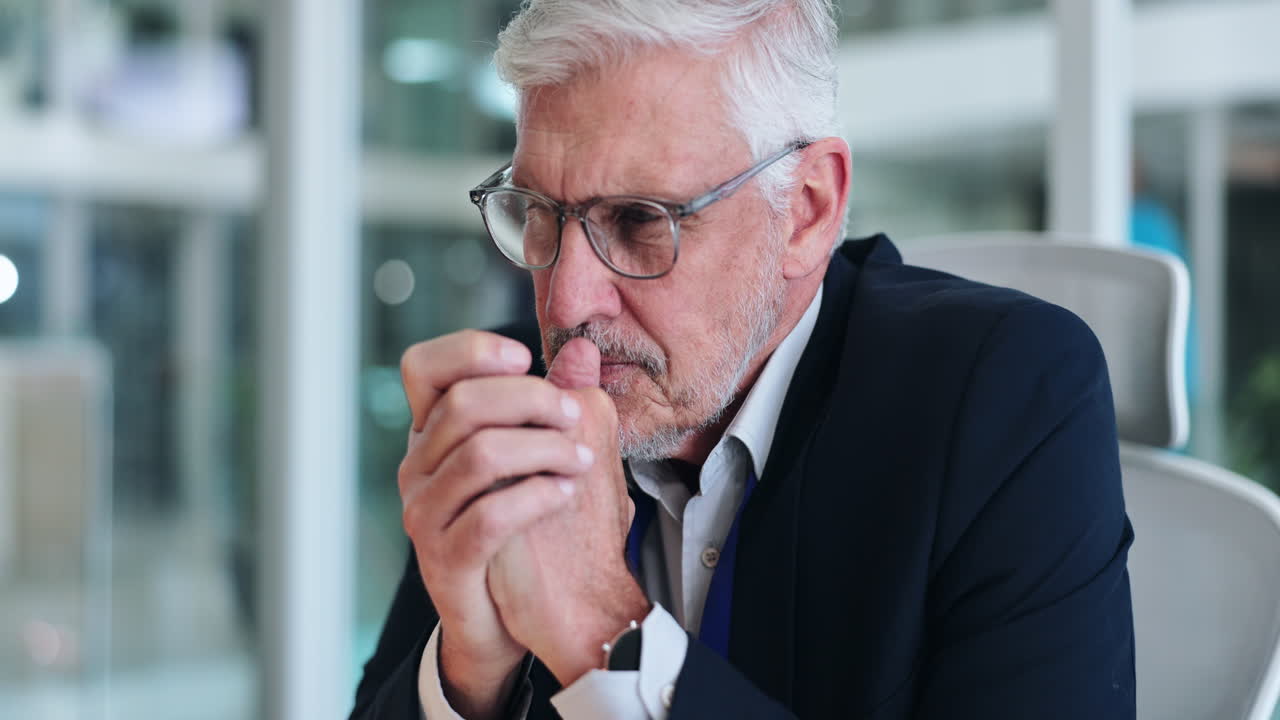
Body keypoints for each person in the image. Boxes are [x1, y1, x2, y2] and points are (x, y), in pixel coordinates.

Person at [351, 1, 1136, 718]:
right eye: (542, 216)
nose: (562, 303)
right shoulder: (519, 400)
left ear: (806, 211)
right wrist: (467, 672)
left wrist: (601, 628)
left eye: (637, 219)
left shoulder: (1006, 399)